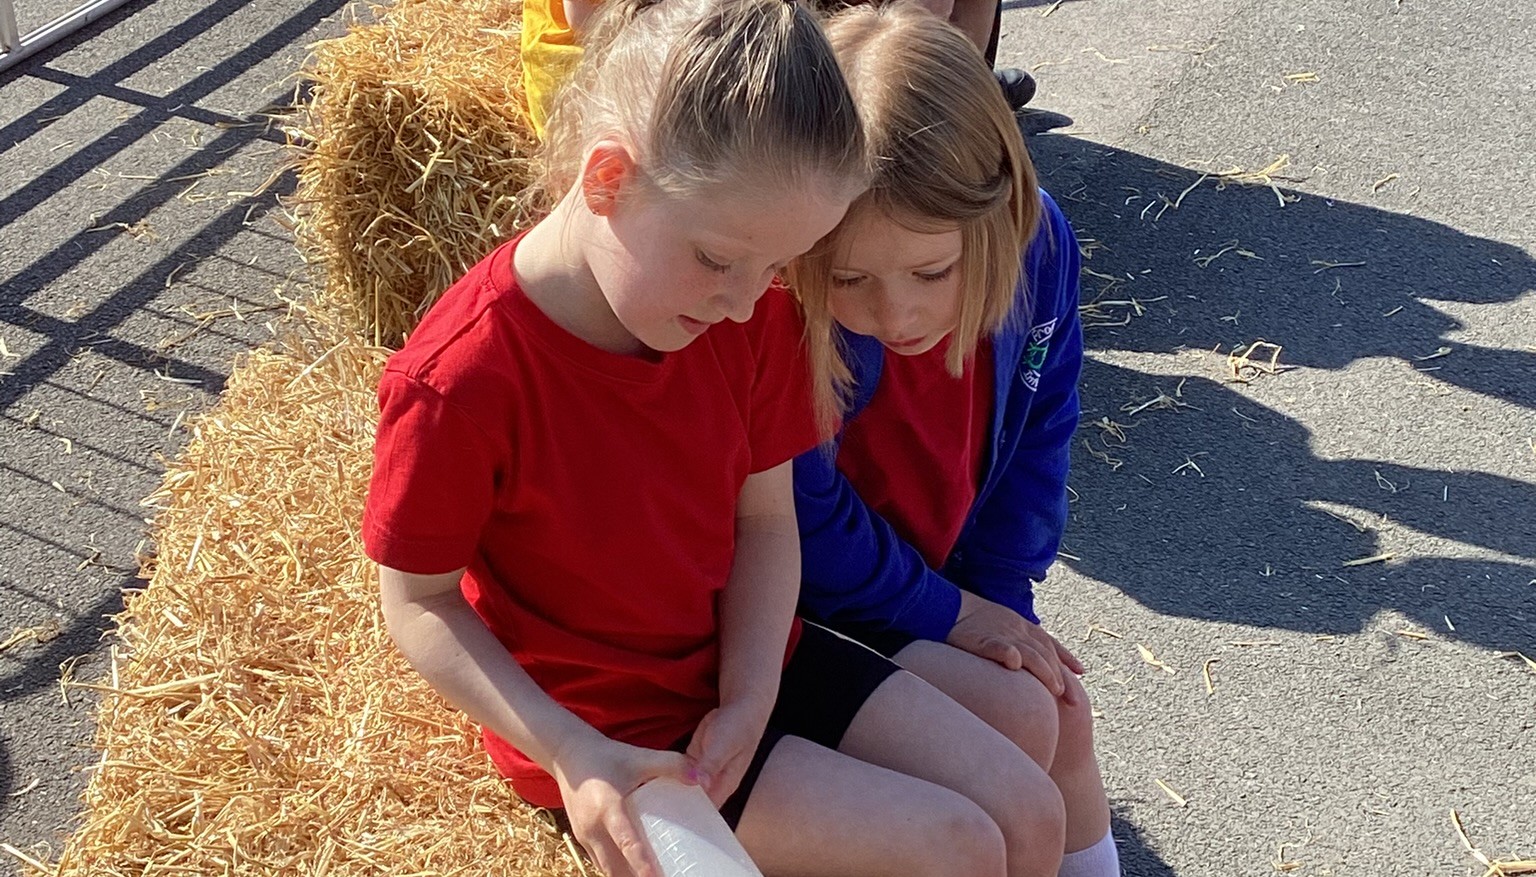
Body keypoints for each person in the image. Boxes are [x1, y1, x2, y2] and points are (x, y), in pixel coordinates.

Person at [366, 0, 1066, 875]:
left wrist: (751, 691)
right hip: (616, 735)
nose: (746, 300)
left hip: (752, 665)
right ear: (608, 178)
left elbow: (765, 523)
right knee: (958, 847)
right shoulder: (461, 380)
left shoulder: (745, 314)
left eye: (777, 267)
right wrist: (570, 751)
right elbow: (418, 600)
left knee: (1031, 815)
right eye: (718, 259)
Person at [789, 4, 1119, 876]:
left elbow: (1043, 428)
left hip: (933, 581)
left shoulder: (1040, 243)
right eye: (848, 278)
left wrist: (1003, 597)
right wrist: (956, 615)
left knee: (1056, 702)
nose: (894, 312)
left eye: (932, 272)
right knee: (1016, 718)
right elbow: (802, 515)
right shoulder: (780, 305)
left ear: (999, 208)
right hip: (817, 602)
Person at [519, 0, 1038, 138]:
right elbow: (590, 24)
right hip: (645, 56)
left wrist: (941, 87)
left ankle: (966, 106)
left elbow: (931, 13)